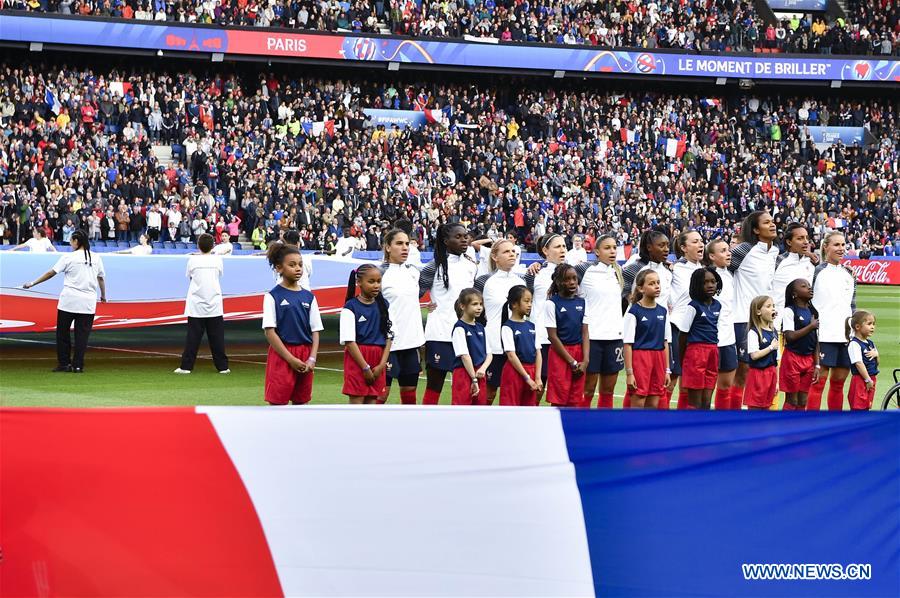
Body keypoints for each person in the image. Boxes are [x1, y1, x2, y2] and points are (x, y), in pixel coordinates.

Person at [22, 230, 106, 373]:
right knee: (82, 336)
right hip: (87, 302)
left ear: (76, 241)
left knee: (63, 334)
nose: (70, 243)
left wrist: (32, 283)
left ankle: (64, 363)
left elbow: (51, 273)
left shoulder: (68, 257)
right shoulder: (96, 258)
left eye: (71, 240)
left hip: (69, 300)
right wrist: (103, 296)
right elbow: (101, 278)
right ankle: (78, 365)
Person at [419, 223, 477, 404]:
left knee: (463, 385)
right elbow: (414, 294)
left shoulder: (470, 264)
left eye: (466, 236)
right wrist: (424, 305)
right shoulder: (433, 266)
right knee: (434, 385)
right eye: (458, 237)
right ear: (446, 241)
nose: (464, 239)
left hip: (465, 333)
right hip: (440, 334)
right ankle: (426, 425)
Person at [729, 211, 779, 410]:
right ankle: (733, 418)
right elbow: (723, 270)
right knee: (742, 372)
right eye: (767, 222)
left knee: (762, 371)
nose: (773, 224)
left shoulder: (775, 252)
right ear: (756, 230)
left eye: (773, 221)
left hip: (766, 321)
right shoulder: (744, 250)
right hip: (743, 318)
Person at [262, 242, 322, 405]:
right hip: (282, 356)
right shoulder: (272, 296)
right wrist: (290, 359)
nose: (298, 269)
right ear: (279, 268)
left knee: (301, 404)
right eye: (292, 265)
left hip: (305, 355)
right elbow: (270, 332)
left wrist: (312, 358)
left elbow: (315, 331)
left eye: (300, 265)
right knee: (277, 405)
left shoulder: (309, 297)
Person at [621, 229, 671, 409]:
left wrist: (667, 368)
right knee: (638, 396)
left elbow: (666, 342)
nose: (666, 249)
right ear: (649, 247)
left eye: (667, 245)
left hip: (659, 342)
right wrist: (629, 372)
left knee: (655, 397)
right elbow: (625, 289)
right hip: (641, 352)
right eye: (661, 245)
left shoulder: (667, 271)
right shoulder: (636, 268)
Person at [808, 232, 856, 411]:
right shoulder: (816, 271)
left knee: (838, 383)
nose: (841, 249)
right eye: (836, 245)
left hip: (845, 336)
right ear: (825, 247)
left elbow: (852, 306)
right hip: (823, 335)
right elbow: (807, 301)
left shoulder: (849, 274)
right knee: (818, 383)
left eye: (843, 245)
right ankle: (811, 426)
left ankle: (833, 424)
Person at [576, 233, 624, 409]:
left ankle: (606, 427)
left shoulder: (618, 271)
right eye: (607, 248)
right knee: (588, 389)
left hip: (615, 337)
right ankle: (581, 425)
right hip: (593, 337)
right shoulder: (585, 269)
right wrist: (538, 264)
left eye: (614, 248)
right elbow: (560, 272)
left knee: (608, 390)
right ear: (596, 251)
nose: (612, 251)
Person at [474, 239, 525, 404]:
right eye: (506, 251)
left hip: (517, 345)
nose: (512, 254)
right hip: (493, 345)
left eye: (513, 251)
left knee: (514, 392)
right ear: (494, 256)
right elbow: (474, 311)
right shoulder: (484, 281)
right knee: (488, 394)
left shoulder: (520, 282)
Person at [174, 233, 230, 374]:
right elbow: (219, 275)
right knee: (217, 337)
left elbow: (190, 277)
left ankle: (186, 366)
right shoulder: (217, 260)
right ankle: (223, 367)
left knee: (193, 336)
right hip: (214, 303)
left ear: (198, 245)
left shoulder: (193, 261)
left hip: (197, 303)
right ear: (212, 246)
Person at [380, 228, 424, 405]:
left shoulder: (414, 272)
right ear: (388, 247)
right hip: (387, 344)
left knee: (410, 393)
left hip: (411, 343)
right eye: (399, 243)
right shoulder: (379, 273)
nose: (405, 247)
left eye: (407, 243)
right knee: (381, 395)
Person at [340, 264, 393, 404]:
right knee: (357, 403)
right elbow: (349, 341)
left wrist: (382, 365)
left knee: (372, 404)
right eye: (371, 281)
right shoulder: (350, 307)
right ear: (359, 283)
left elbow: (389, 336)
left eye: (379, 281)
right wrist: (365, 367)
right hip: (358, 359)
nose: (376, 285)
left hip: (378, 359)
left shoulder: (384, 305)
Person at [524, 233, 567, 393]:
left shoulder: (573, 273)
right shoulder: (535, 274)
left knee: (562, 390)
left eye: (564, 246)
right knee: (536, 388)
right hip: (541, 338)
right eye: (557, 246)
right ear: (545, 250)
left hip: (566, 339)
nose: (562, 250)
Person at [676, 267, 722, 409]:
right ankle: (690, 429)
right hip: (696, 352)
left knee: (706, 403)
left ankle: (704, 429)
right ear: (697, 285)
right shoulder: (693, 306)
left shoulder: (718, 305)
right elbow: (682, 334)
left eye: (713, 282)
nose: (710, 285)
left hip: (713, 351)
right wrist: (683, 360)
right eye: (705, 282)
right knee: (694, 404)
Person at [668, 230, 705, 409]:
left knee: (689, 379)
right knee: (673, 376)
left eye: (701, 241)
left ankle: (683, 421)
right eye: (695, 241)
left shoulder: (704, 271)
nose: (701, 244)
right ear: (683, 247)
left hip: (697, 332)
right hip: (677, 328)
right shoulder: (674, 270)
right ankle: (660, 420)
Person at [544, 264, 589, 408]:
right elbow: (552, 336)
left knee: (576, 398)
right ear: (558, 282)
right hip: (560, 354)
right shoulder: (551, 304)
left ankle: (573, 429)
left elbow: (585, 332)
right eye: (567, 279)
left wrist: (585, 360)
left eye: (574, 279)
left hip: (579, 353)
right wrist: (571, 361)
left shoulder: (582, 302)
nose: (572, 282)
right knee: (559, 399)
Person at [704, 239, 738, 410]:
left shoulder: (731, 275)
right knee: (707, 387)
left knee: (726, 386)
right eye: (723, 251)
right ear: (711, 256)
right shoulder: (705, 277)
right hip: (710, 340)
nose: (728, 253)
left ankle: (721, 423)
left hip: (729, 338)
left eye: (728, 250)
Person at [499, 285, 542, 406]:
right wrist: (527, 378)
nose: (530, 305)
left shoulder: (531, 326)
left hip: (531, 371)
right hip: (514, 372)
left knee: (528, 409)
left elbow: (538, 352)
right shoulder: (507, 327)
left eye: (531, 301)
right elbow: (511, 355)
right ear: (514, 304)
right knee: (510, 409)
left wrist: (537, 377)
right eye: (526, 301)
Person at [780, 279, 820, 410]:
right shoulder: (789, 311)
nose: (809, 288)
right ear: (794, 294)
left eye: (809, 285)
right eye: (804, 286)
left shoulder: (812, 311)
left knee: (803, 400)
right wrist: (811, 326)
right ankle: (785, 427)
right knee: (792, 400)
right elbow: (790, 336)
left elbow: (815, 340)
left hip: (808, 360)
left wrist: (817, 365)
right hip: (792, 359)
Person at [772, 223, 817, 330]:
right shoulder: (777, 261)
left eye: (806, 238)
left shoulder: (811, 264)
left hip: (804, 325)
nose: (806, 242)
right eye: (800, 238)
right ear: (789, 242)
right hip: (779, 324)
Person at [451, 289, 491, 405]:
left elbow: (489, 353)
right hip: (464, 374)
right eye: (474, 304)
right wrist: (473, 378)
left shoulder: (481, 328)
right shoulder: (459, 328)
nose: (479, 307)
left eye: (480, 304)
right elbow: (464, 355)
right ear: (462, 306)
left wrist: (483, 369)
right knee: (461, 410)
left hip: (479, 373)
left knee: (479, 410)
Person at [744, 295, 779, 410]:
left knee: (767, 408)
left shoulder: (774, 331)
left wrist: (777, 382)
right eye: (768, 306)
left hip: (771, 374)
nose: (773, 309)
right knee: (755, 409)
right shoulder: (753, 332)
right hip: (758, 376)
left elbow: (776, 361)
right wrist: (770, 347)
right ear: (758, 312)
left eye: (773, 306)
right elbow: (754, 355)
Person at [846, 311, 878, 411]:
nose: (872, 327)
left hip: (871, 379)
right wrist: (867, 379)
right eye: (869, 324)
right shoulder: (854, 344)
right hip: (860, 380)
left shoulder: (870, 343)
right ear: (858, 327)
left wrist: (876, 354)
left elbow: (877, 363)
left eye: (873, 324)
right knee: (858, 407)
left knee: (867, 406)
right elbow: (859, 363)